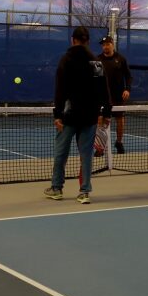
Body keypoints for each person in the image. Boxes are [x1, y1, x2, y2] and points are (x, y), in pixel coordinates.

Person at [44, 26, 111, 204]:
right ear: (87, 41)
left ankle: (57, 188)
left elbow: (60, 90)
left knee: (61, 153)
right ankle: (84, 192)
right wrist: (107, 112)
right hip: (89, 116)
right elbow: (103, 89)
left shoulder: (66, 60)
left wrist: (57, 114)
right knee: (86, 155)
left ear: (73, 40)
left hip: (69, 116)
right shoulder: (96, 62)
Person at [97, 35, 133, 154]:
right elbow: (95, 79)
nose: (105, 47)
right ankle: (100, 147)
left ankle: (119, 142)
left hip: (118, 96)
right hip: (102, 96)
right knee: (100, 120)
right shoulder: (97, 60)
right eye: (103, 45)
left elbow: (128, 76)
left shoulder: (121, 59)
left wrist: (127, 89)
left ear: (112, 44)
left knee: (120, 120)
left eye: (107, 44)